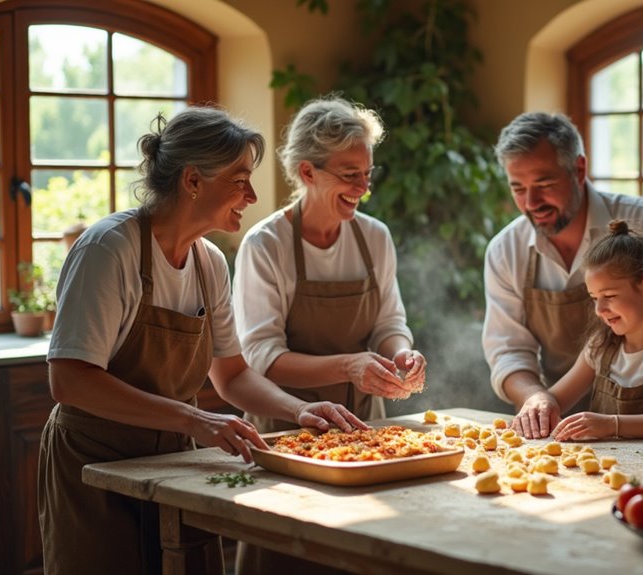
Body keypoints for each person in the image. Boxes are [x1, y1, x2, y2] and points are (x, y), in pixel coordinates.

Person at [38, 106, 367, 575]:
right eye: (239, 180)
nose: (252, 195)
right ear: (193, 181)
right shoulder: (108, 249)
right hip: (94, 465)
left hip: (173, 461)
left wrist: (298, 410)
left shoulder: (209, 261)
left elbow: (231, 374)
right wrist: (195, 419)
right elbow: (70, 380)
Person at [232, 95, 425, 573]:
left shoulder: (374, 237)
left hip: (366, 430)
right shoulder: (266, 245)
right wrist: (349, 365)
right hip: (287, 433)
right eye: (349, 174)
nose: (363, 187)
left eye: (367, 173)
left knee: (362, 552)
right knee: (285, 557)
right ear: (307, 172)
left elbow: (389, 325)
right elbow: (260, 357)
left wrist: (402, 356)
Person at [483, 112, 643, 439]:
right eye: (518, 188)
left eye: (544, 184)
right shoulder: (505, 250)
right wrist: (537, 398)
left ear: (579, 169)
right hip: (569, 433)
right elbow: (507, 349)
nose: (531, 203)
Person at [548, 219, 643, 441]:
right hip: (609, 470)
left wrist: (611, 424)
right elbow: (555, 398)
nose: (599, 310)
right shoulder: (600, 345)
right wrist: (540, 403)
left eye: (609, 296)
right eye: (594, 298)